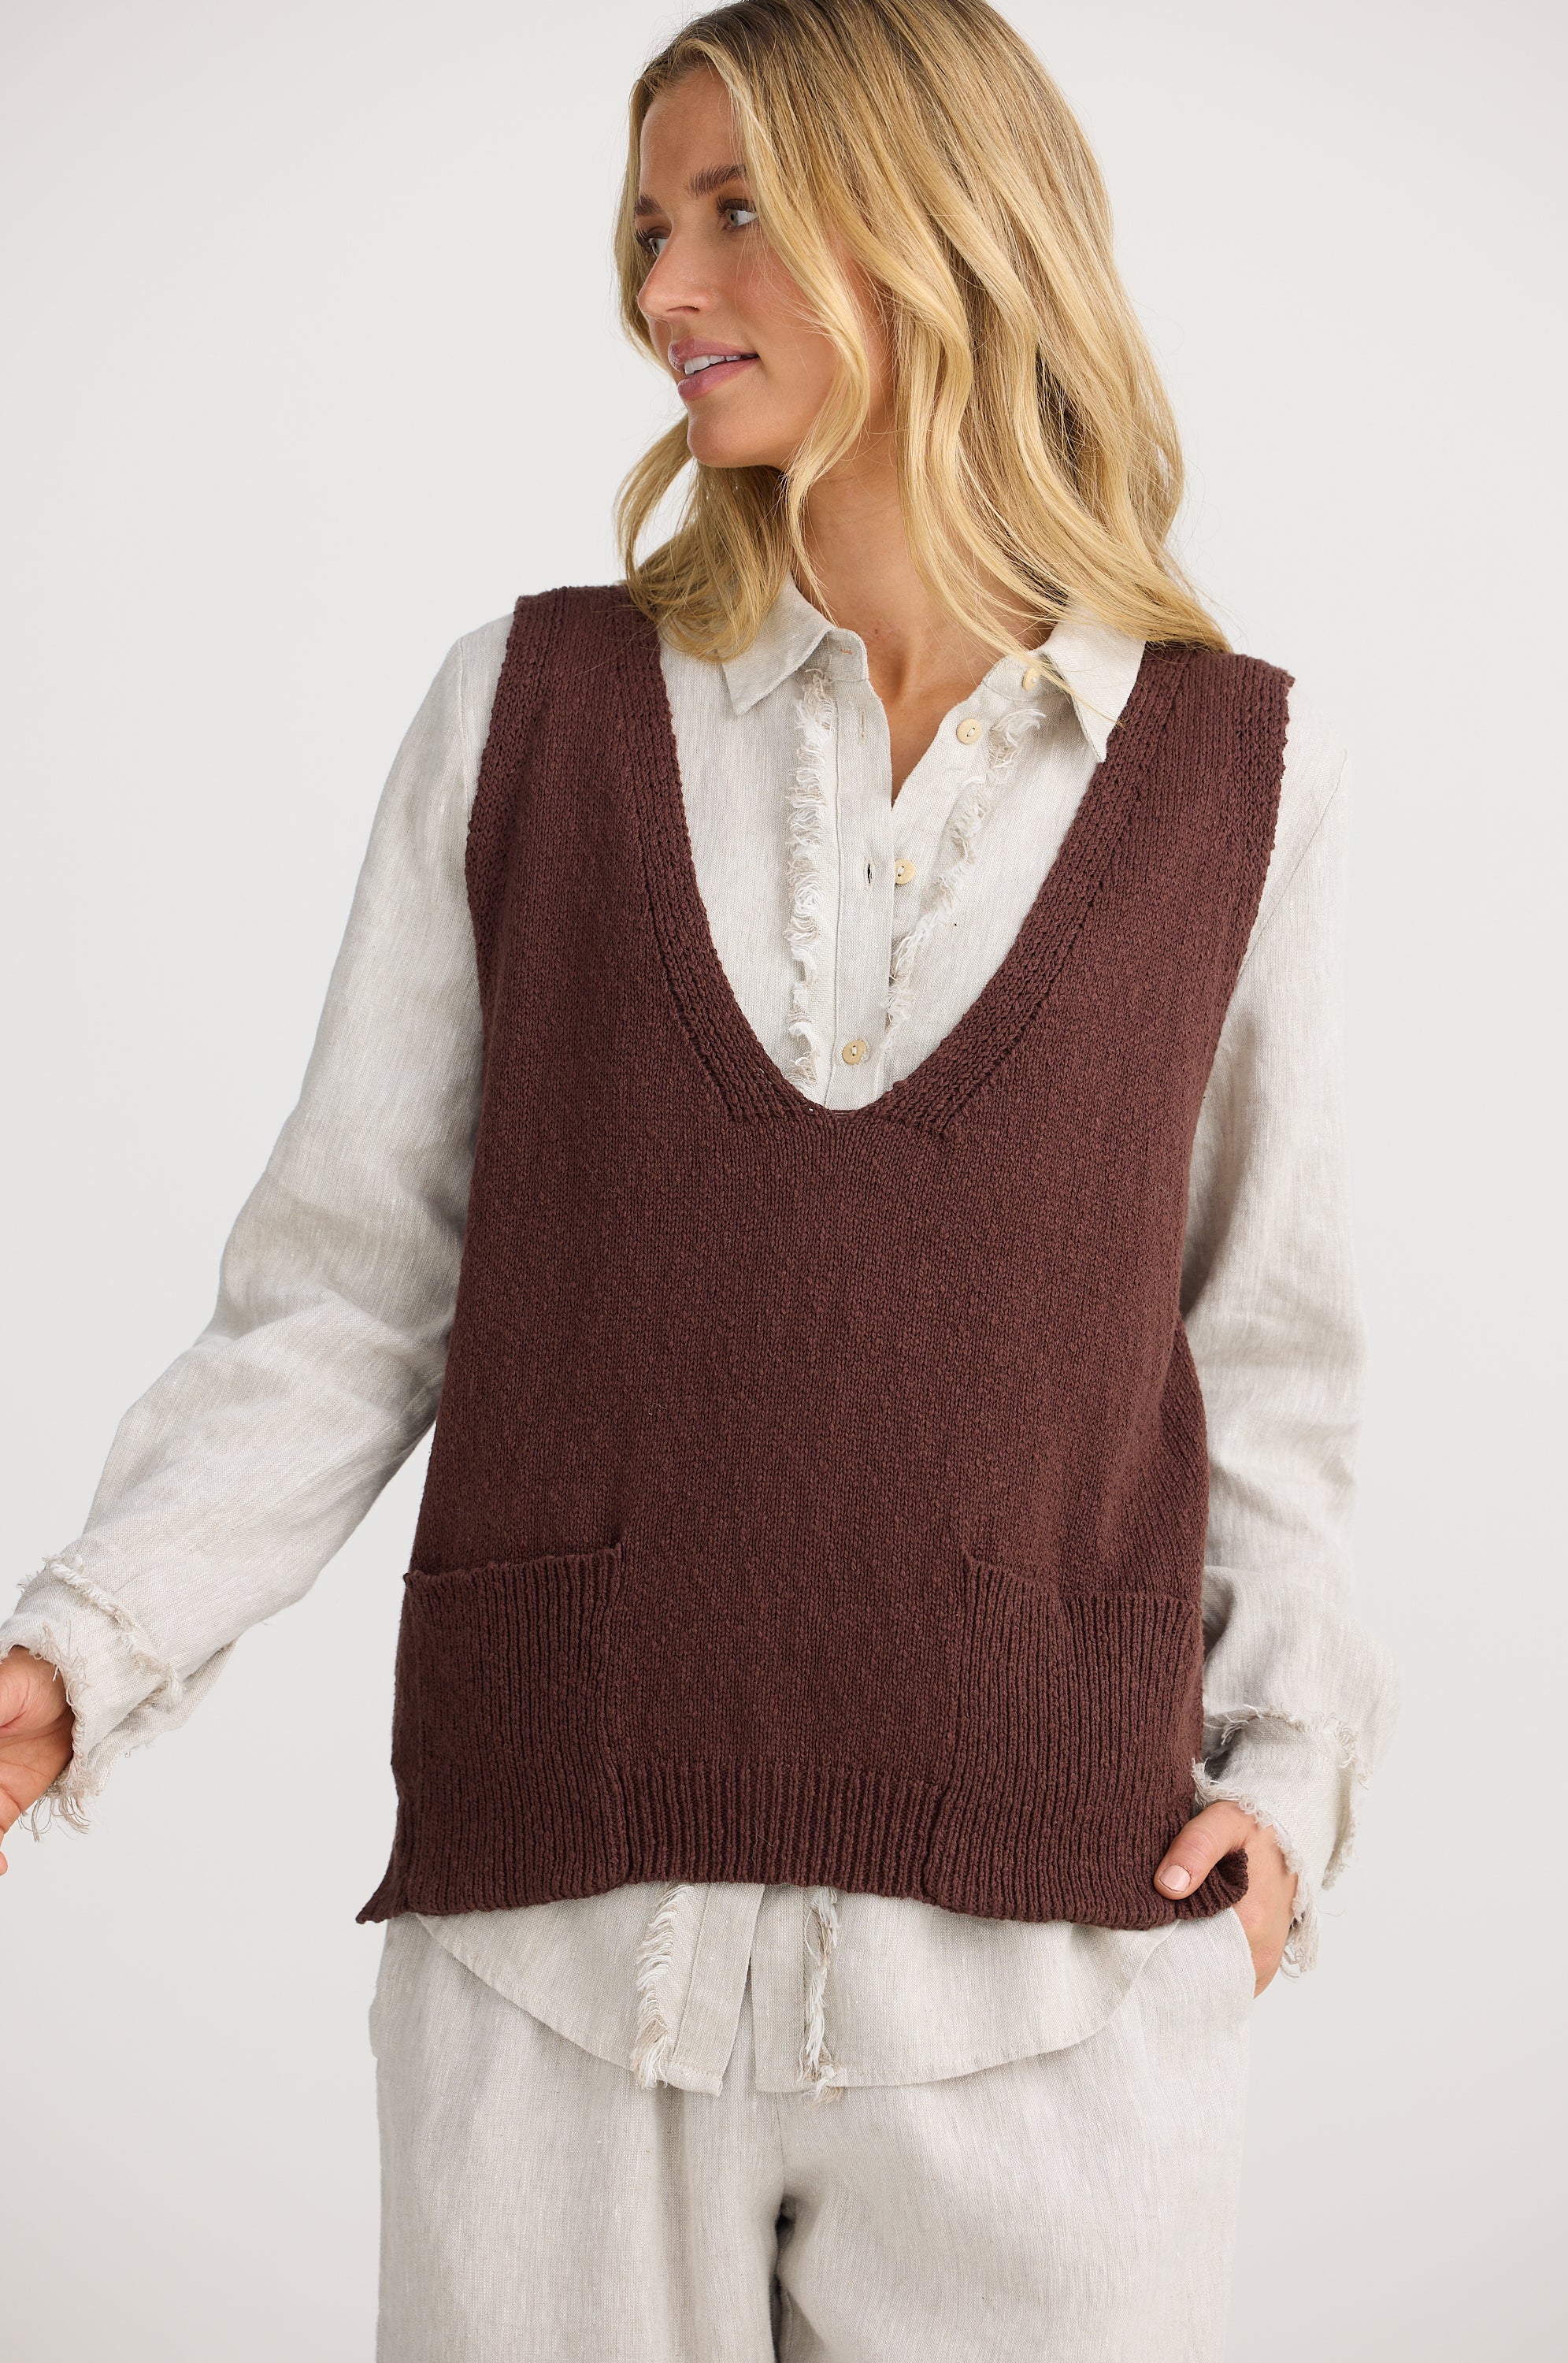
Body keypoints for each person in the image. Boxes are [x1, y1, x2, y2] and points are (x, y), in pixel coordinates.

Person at [0, 2, 1399, 2355]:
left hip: (1058, 1989)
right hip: (560, 1956)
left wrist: (1292, 1787)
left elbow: (1267, 1346)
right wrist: (80, 1654)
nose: (665, 284)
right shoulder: (525, 713)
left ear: (946, 224)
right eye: (648, 224)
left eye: (738, 211)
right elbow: (349, 1295)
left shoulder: (1237, 773)